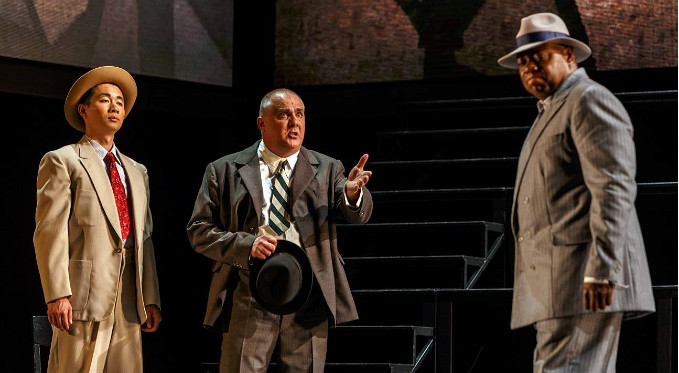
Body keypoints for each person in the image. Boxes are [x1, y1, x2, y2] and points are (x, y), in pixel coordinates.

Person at [497, 13, 656, 373]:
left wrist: (602, 271)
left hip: (581, 282)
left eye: (540, 56)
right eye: (523, 61)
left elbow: (614, 189)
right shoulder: (553, 109)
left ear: (569, 56)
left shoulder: (587, 100)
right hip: (558, 288)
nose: (529, 67)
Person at [187, 88, 373, 373]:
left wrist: (351, 195)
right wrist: (245, 245)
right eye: (283, 114)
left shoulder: (328, 168)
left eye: (299, 114)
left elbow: (353, 212)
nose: (294, 122)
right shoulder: (223, 169)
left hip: (309, 294)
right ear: (261, 123)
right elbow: (199, 230)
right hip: (249, 289)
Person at [34, 66, 162, 373]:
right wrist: (57, 294)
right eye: (105, 100)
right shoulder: (64, 160)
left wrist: (151, 296)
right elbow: (49, 232)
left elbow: (143, 237)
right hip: (82, 296)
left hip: (129, 298)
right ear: (84, 110)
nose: (116, 106)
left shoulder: (136, 170)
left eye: (119, 101)